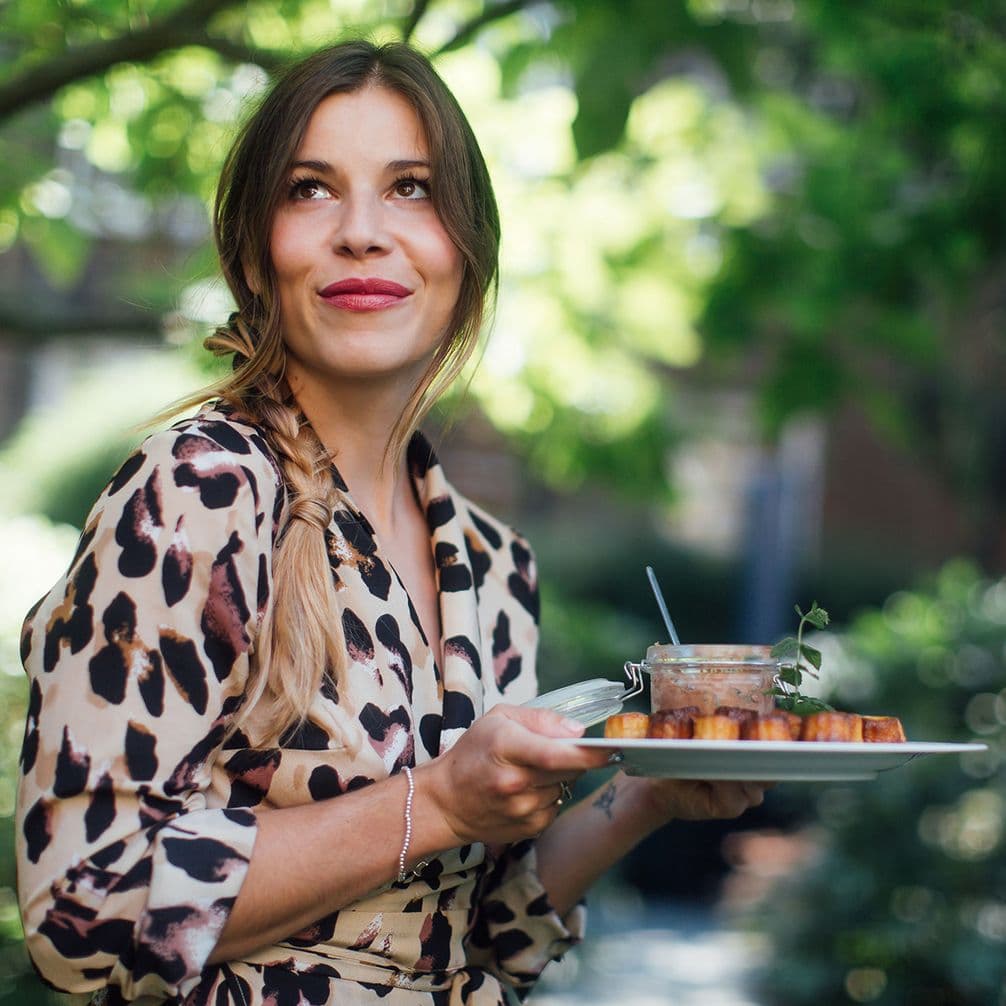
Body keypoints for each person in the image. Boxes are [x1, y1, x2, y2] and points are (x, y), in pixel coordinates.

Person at [16, 39, 766, 1006]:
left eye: (411, 188)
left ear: (468, 250)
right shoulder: (200, 491)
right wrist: (440, 799)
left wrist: (647, 797)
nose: (363, 231)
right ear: (255, 249)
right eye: (311, 189)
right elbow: (83, 913)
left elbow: (480, 932)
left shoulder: (494, 567)